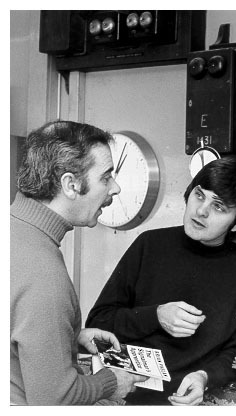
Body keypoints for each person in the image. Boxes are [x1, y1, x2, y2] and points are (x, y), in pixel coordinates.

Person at [86, 157, 236, 405]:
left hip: (194, 398)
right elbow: (98, 323)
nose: (201, 211)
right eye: (199, 195)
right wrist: (156, 316)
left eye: (219, 207)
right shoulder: (149, 244)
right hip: (125, 395)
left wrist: (205, 377)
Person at [11, 120, 147, 405]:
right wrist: (110, 383)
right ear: (71, 185)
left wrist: (68, 337)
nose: (116, 188)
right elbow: (54, 400)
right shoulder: (44, 274)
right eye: (106, 177)